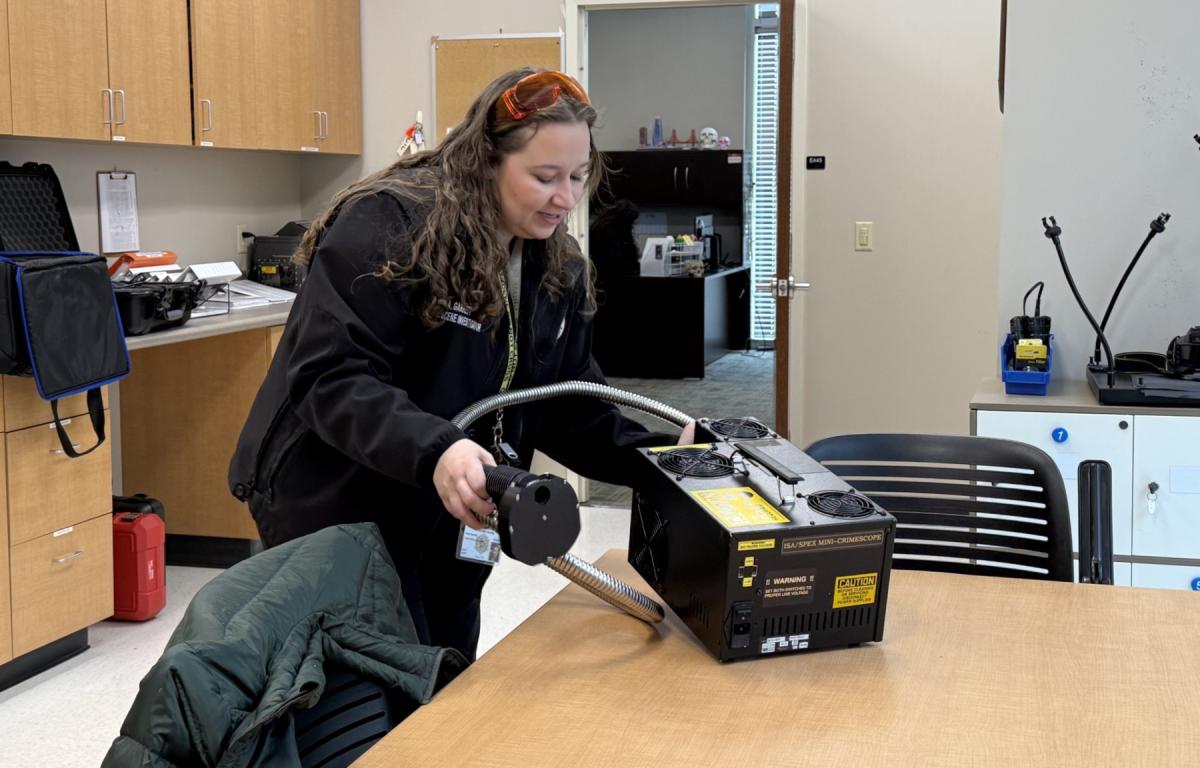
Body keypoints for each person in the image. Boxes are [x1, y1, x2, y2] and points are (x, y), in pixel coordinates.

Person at [228, 68, 692, 662]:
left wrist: (667, 459)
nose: (566, 198)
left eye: (579, 177)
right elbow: (330, 377)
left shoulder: (555, 268)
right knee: (371, 686)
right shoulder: (390, 224)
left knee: (446, 668)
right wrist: (437, 448)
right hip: (341, 496)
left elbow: (570, 411)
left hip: (458, 502)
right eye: (544, 177)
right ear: (487, 159)